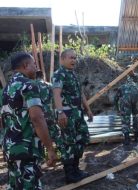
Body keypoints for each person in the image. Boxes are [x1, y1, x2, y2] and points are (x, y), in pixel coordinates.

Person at [1, 52, 56, 189]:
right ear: (26, 65)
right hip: (27, 149)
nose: (36, 68)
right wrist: (50, 148)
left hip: (10, 147)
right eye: (34, 64)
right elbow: (37, 118)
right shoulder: (29, 85)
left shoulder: (6, 89)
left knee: (16, 185)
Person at [52, 49, 93, 183]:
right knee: (69, 143)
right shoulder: (59, 74)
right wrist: (60, 112)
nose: (74, 60)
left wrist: (88, 109)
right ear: (62, 59)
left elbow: (80, 94)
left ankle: (76, 169)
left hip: (78, 114)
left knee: (82, 138)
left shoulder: (73, 74)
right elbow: (56, 94)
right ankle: (69, 174)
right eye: (71, 58)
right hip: (67, 114)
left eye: (75, 58)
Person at [36, 71, 62, 148]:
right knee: (55, 132)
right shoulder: (49, 85)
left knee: (40, 132)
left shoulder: (32, 86)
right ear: (43, 76)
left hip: (38, 113)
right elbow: (55, 100)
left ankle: (44, 153)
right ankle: (61, 149)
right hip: (49, 112)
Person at [115, 77, 138, 145]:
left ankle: (127, 139)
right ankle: (137, 138)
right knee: (137, 118)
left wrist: (117, 109)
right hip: (136, 103)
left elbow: (115, 99)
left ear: (126, 81)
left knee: (125, 119)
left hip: (125, 103)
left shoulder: (122, 87)